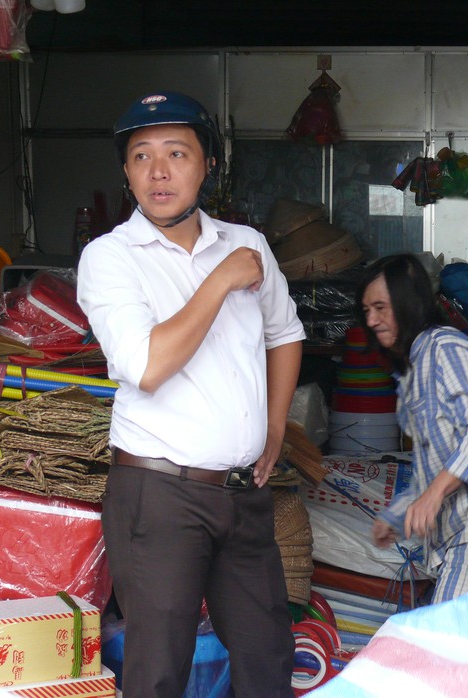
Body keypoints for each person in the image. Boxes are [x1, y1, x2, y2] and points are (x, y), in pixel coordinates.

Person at [77, 91, 304, 697]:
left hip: (241, 493)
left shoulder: (248, 242)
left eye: (177, 153)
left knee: (266, 655)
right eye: (141, 156)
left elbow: (285, 335)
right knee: (158, 670)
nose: (158, 171)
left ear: (207, 166)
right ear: (125, 173)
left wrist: (275, 429)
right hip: (158, 495)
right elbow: (148, 365)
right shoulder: (109, 258)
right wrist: (220, 278)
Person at [357, 254, 468, 604]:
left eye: (380, 307)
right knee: (466, 639)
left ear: (408, 303)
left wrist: (434, 494)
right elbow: (432, 469)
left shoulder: (446, 348)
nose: (372, 320)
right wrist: (396, 515)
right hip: (459, 530)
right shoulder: (412, 369)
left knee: (446, 636)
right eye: (366, 311)